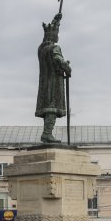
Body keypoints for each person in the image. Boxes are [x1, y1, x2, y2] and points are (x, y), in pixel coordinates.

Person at [36, 11, 72, 143]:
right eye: (57, 33)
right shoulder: (55, 48)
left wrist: (56, 21)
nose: (58, 36)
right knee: (52, 107)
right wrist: (67, 68)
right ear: (54, 35)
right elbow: (59, 60)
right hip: (54, 83)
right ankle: (47, 134)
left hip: (44, 84)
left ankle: (47, 133)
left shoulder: (41, 49)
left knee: (48, 108)